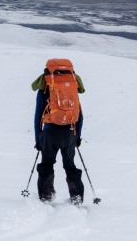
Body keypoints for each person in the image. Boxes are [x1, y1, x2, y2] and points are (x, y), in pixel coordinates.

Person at [32, 60, 86, 205]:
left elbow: (38, 115)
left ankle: (46, 196)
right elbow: (79, 114)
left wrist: (38, 138)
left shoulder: (44, 88)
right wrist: (77, 135)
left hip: (49, 132)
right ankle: (76, 197)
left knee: (47, 164)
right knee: (70, 165)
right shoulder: (72, 87)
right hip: (69, 133)